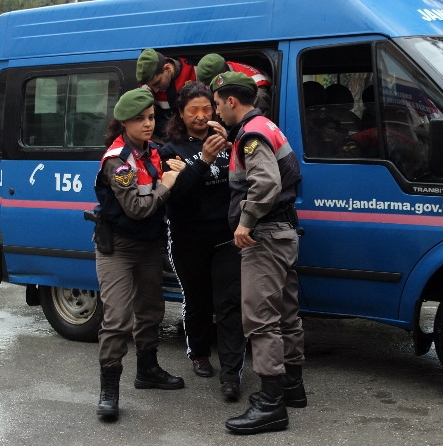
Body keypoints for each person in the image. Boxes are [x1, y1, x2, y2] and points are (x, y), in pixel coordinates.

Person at [210, 72, 305, 434]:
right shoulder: (268, 126)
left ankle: (270, 404)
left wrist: (245, 222)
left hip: (263, 237)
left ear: (231, 101)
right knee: (286, 314)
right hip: (282, 231)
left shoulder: (250, 135)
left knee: (261, 321)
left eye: (217, 104)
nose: (216, 112)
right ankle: (292, 387)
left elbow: (266, 183)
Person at [93, 88, 185, 420]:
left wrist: (175, 172)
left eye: (150, 118)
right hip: (117, 247)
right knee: (117, 319)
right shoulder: (118, 162)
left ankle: (147, 371)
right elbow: (136, 207)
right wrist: (168, 184)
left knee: (150, 311)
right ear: (123, 123)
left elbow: (162, 186)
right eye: (140, 119)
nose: (148, 124)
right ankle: (109, 390)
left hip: (148, 245)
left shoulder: (153, 153)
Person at [158, 82, 246, 400]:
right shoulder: (170, 151)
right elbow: (176, 197)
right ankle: (197, 352)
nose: (200, 115)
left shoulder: (230, 139)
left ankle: (232, 374)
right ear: (180, 115)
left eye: (206, 108)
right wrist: (202, 161)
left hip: (226, 237)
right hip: (187, 237)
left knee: (229, 304)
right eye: (192, 110)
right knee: (197, 299)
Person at [136, 49, 197, 142]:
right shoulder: (145, 85)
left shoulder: (192, 70)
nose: (155, 89)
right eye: (150, 86)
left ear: (167, 69)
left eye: (157, 83)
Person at [196, 53, 272, 119]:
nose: (217, 112)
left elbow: (258, 129)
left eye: (211, 87)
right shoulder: (223, 66)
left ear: (222, 80)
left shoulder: (257, 93)